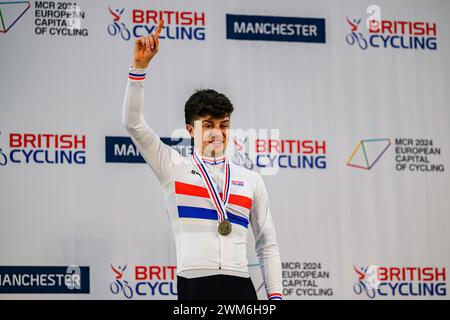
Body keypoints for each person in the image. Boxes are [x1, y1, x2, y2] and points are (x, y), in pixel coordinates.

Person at [122, 19, 283, 300]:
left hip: (241, 288)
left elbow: (267, 246)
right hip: (194, 286)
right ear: (190, 129)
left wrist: (276, 298)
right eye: (208, 124)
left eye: (223, 125)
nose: (217, 133)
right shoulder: (173, 167)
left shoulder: (250, 180)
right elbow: (133, 123)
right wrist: (139, 69)